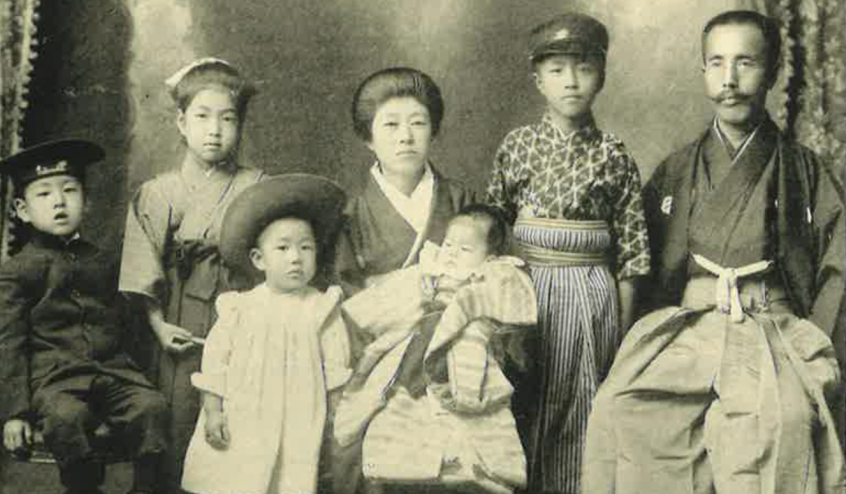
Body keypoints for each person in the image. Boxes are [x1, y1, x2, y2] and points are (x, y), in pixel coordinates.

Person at [582, 10, 845, 494]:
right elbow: (642, 263)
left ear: (771, 72)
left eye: (745, 63)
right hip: (690, 326)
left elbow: (838, 266)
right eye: (716, 63)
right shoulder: (678, 169)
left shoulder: (802, 169)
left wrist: (817, 342)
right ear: (702, 71)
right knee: (621, 407)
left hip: (770, 328)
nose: (729, 80)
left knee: (782, 422)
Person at [485, 13, 650, 494]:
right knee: (524, 402)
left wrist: (619, 334)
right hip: (527, 294)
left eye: (583, 68)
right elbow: (492, 233)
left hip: (592, 296)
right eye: (557, 70)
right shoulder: (517, 146)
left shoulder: (614, 154)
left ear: (602, 74)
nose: (571, 81)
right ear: (537, 79)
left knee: (584, 402)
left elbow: (633, 253)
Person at [0, 139, 168, 494]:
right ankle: (83, 489)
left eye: (69, 190)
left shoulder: (102, 260)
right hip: (56, 381)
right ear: (23, 210)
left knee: (152, 408)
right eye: (44, 194)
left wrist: (136, 373)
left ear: (86, 202)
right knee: (67, 418)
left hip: (113, 372)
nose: (59, 201)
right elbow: (3, 341)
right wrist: (15, 412)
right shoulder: (18, 270)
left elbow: (126, 323)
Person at [118, 57, 265, 492]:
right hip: (177, 320)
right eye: (202, 117)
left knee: (235, 424)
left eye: (227, 119)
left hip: (238, 318)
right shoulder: (158, 192)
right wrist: (158, 325)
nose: (214, 130)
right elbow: (141, 265)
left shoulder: (257, 185)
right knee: (178, 418)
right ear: (181, 123)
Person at [334, 204, 537, 494]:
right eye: (449, 244)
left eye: (465, 249)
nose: (452, 253)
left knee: (468, 442)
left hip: (461, 356)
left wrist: (460, 307)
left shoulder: (490, 282)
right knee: (392, 423)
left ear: (488, 259)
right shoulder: (429, 275)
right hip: (414, 356)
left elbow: (509, 306)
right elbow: (384, 305)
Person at [179, 174, 352, 494]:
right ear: (259, 259)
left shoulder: (321, 308)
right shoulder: (240, 308)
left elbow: (336, 369)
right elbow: (216, 364)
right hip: (246, 415)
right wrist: (214, 410)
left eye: (306, 247)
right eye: (283, 248)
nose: (295, 258)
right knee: (238, 477)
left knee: (289, 479)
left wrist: (335, 417)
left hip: (298, 415)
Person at [335, 66, 476, 296]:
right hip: (380, 330)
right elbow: (347, 293)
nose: (405, 137)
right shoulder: (350, 214)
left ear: (433, 132)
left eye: (418, 123)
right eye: (391, 125)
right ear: (368, 137)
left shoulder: (461, 201)